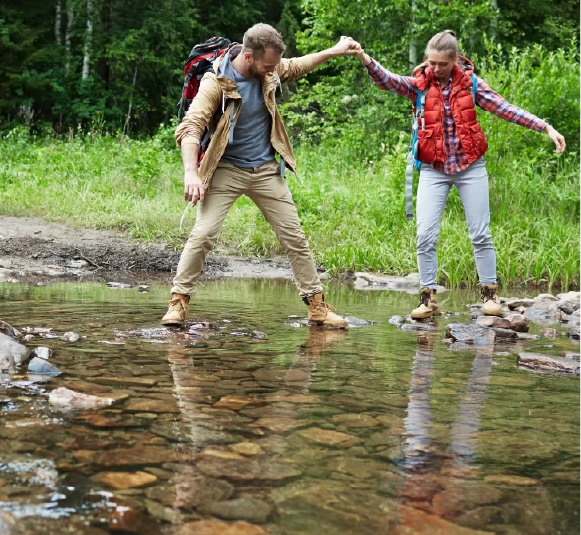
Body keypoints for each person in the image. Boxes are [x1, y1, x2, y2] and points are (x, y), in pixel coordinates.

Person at [353, 30, 566, 318]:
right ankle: (428, 299)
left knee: (480, 233)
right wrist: (365, 58)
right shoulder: (420, 85)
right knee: (425, 235)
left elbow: (505, 109)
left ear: (454, 60)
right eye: (431, 63)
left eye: (441, 63)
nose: (435, 68)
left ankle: (490, 295)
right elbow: (388, 81)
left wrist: (545, 127)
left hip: (470, 167)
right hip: (433, 169)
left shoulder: (471, 85)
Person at [162, 23, 360, 328]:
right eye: (268, 64)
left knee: (295, 237)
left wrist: (335, 50)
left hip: (266, 170)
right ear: (249, 56)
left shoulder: (268, 68)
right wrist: (191, 173)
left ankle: (317, 307)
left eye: (275, 65)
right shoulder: (217, 81)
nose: (274, 70)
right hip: (226, 169)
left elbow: (295, 66)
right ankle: (178, 303)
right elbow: (191, 126)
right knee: (203, 235)